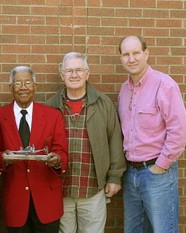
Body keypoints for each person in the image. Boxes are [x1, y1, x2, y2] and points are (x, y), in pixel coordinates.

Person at [45, 52, 127, 233]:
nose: (74, 75)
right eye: (69, 71)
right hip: (60, 190)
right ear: (62, 74)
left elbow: (114, 140)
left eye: (79, 70)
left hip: (93, 189)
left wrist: (114, 177)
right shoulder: (50, 106)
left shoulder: (102, 103)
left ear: (87, 73)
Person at [118, 35, 186, 233]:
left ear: (146, 53)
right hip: (131, 173)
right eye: (126, 54)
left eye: (136, 53)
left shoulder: (164, 85)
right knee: (133, 230)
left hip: (158, 174)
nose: (131, 59)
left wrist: (160, 166)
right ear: (121, 58)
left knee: (163, 230)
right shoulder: (124, 90)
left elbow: (180, 130)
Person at [0, 66, 69, 232]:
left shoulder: (53, 115)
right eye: (18, 83)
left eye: (28, 82)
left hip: (47, 201)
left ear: (35, 86)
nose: (23, 87)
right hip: (15, 200)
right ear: (11, 88)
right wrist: (4, 157)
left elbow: (62, 151)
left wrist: (57, 159)